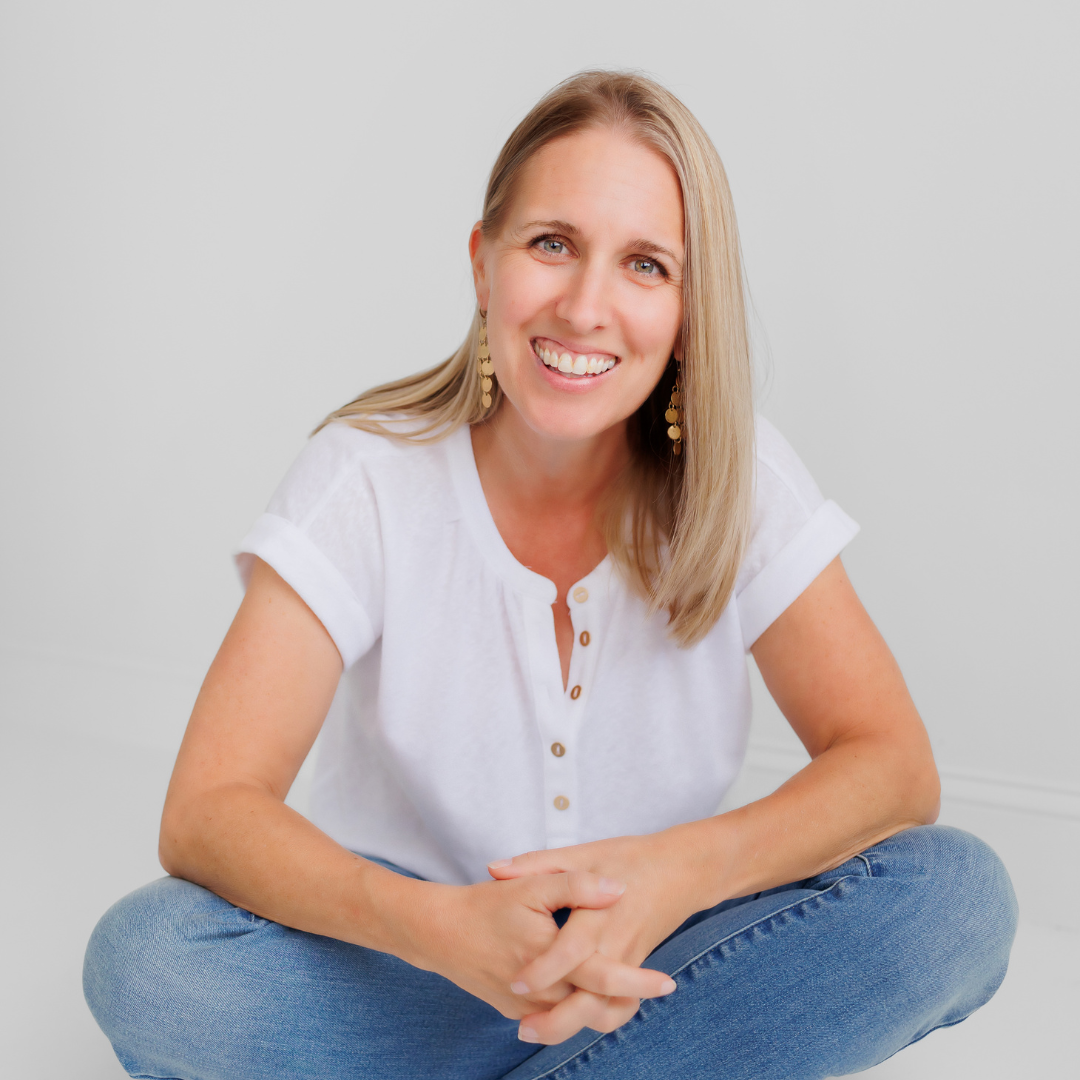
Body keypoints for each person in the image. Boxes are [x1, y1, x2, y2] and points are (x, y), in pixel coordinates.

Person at [83, 70, 1016, 1080]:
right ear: (484, 264)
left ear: (688, 305)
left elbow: (889, 764)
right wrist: (441, 927)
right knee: (150, 961)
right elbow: (209, 808)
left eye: (645, 265)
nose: (585, 307)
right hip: (408, 965)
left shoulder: (741, 480)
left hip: (664, 962)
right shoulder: (367, 477)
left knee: (956, 895)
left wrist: (678, 872)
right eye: (552, 245)